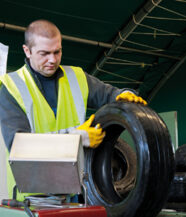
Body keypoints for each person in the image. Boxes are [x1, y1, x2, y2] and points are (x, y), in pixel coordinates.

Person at [0, 19, 147, 200]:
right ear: (27, 51)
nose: (52, 60)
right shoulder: (12, 87)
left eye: (57, 51)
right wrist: (75, 138)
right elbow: (18, 146)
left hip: (76, 192)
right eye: (44, 53)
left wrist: (124, 94)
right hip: (32, 197)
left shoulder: (77, 77)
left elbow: (110, 95)